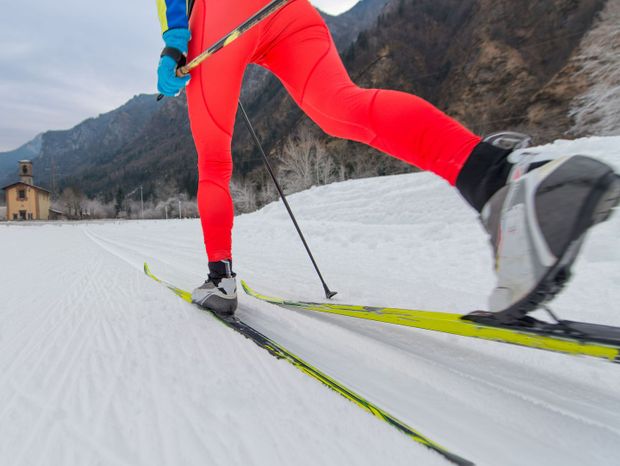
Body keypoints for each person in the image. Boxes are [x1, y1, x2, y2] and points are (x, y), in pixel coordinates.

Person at [154, 0, 620, 321]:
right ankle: (503, 181)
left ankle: (221, 280)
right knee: (343, 106)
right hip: (289, 9)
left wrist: (174, 39)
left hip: (218, 17)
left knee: (214, 162)